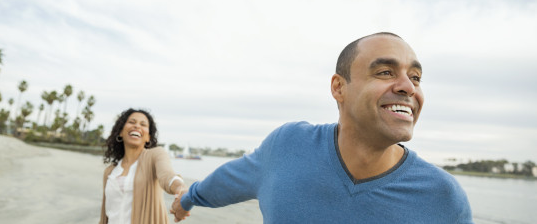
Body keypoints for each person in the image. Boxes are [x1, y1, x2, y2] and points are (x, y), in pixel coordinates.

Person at [170, 32, 473, 223]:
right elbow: (229, 179)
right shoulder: (288, 145)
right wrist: (187, 199)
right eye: (385, 72)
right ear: (339, 88)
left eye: (416, 77)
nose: (408, 87)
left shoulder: (443, 199)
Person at [100, 108, 187, 224]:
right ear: (120, 132)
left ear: (148, 138)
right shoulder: (110, 171)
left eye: (143, 124)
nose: (137, 126)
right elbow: (106, 213)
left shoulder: (155, 155)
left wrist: (179, 188)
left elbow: (167, 175)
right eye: (132, 122)